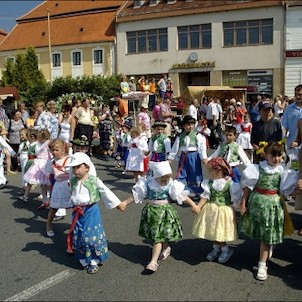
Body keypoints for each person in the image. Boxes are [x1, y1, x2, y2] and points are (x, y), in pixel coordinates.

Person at [121, 160, 196, 273]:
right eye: (162, 180)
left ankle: (153, 262)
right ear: (156, 176)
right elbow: (137, 195)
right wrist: (125, 202)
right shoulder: (147, 183)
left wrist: (193, 205)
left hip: (164, 213)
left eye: (167, 179)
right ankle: (166, 248)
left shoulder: (170, 184)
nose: (165, 182)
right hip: (151, 212)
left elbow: (181, 196)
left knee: (157, 238)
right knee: (158, 235)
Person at [239, 141, 294, 281]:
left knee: (266, 235)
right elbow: (247, 187)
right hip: (257, 204)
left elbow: (287, 190)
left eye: (279, 155)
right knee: (260, 233)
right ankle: (267, 249)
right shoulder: (257, 169)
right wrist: (243, 203)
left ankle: (262, 264)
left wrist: (298, 188)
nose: (276, 158)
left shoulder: (283, 172)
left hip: (273, 206)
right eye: (273, 155)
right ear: (265, 155)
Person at [66, 152, 126, 274]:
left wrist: (118, 204)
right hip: (77, 211)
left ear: (87, 167)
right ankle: (83, 257)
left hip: (90, 210)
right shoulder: (72, 181)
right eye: (74, 167)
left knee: (89, 235)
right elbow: (70, 195)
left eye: (78, 167)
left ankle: (94, 259)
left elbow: (106, 191)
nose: (75, 170)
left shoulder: (94, 181)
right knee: (79, 233)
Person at [192, 157, 242, 263]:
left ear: (218, 170)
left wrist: (240, 207)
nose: (209, 173)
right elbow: (205, 196)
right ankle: (216, 248)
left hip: (224, 211)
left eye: (210, 171)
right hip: (211, 211)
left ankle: (225, 249)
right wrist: (198, 206)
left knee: (221, 231)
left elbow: (236, 199)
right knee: (212, 229)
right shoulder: (209, 183)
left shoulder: (231, 184)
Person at [168, 115, 208, 197]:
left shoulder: (197, 135)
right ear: (183, 126)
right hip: (183, 156)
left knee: (194, 172)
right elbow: (175, 148)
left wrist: (204, 158)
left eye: (192, 124)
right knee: (182, 172)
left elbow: (201, 147)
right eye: (188, 125)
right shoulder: (180, 136)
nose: (190, 127)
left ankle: (196, 189)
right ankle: (181, 189)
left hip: (194, 156)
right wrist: (170, 158)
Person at [45, 139, 72, 237]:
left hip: (69, 185)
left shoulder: (69, 160)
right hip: (58, 186)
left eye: (57, 150)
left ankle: (75, 226)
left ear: (63, 149)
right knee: (54, 207)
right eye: (52, 150)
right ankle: (48, 225)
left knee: (75, 206)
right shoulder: (51, 162)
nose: (54, 152)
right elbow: (49, 174)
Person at [22, 129, 52, 209]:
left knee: (48, 184)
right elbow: (37, 153)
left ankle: (51, 199)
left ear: (44, 138)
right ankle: (45, 201)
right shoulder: (39, 144)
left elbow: (51, 156)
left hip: (45, 165)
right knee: (42, 184)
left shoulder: (48, 145)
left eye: (40, 138)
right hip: (38, 164)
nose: (38, 139)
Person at [18, 129, 38, 202]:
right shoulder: (31, 144)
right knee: (29, 180)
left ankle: (47, 194)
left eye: (28, 137)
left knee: (41, 181)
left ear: (32, 137)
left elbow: (38, 154)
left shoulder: (36, 145)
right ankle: (25, 196)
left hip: (35, 163)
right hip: (30, 162)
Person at [0, 125, 16, 189]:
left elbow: (6, 146)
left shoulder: (0, 138)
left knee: (0, 167)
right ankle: (2, 180)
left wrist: (13, 153)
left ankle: (2, 181)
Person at [17, 128, 29, 192]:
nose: (21, 136)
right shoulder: (22, 143)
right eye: (20, 135)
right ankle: (24, 185)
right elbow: (19, 151)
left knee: (25, 172)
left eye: (22, 135)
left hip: (26, 157)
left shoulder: (28, 143)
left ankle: (26, 186)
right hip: (22, 157)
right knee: (23, 172)